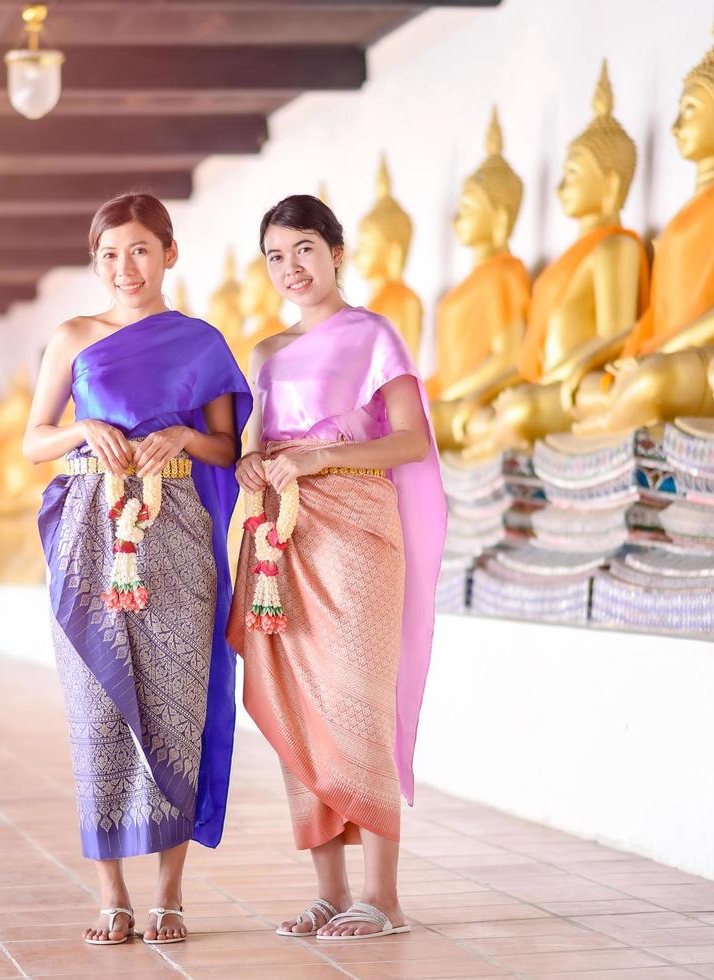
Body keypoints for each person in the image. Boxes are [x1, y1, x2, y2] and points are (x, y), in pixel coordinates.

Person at [23, 193, 251, 946]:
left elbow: (227, 450)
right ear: (96, 261)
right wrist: (79, 429)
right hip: (90, 532)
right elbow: (32, 442)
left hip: (178, 532)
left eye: (140, 250)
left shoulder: (200, 343)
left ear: (169, 254)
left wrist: (183, 433)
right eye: (110, 254)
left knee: (175, 706)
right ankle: (110, 895)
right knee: (96, 712)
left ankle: (170, 896)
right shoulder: (72, 337)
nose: (125, 267)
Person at [228, 194, 447, 941]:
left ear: (335, 254)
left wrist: (321, 457)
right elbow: (257, 447)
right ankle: (329, 891)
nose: (290, 269)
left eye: (303, 251)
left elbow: (410, 441)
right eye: (275, 256)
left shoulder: (373, 335)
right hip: (280, 537)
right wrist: (255, 466)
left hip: (356, 530)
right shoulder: (265, 353)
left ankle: (382, 897)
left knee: (357, 700)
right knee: (299, 703)